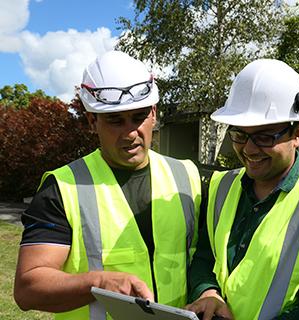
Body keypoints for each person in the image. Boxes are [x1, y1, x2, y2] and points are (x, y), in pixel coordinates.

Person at [13, 50, 201, 319]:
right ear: (92, 121)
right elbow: (28, 288)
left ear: (154, 113)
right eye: (115, 120)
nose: (130, 132)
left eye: (139, 117)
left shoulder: (187, 175)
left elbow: (205, 260)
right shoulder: (63, 187)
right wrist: (98, 284)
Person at [185, 58, 299, 320]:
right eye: (240, 134)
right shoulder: (223, 187)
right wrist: (207, 292)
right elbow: (204, 257)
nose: (248, 149)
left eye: (264, 136)